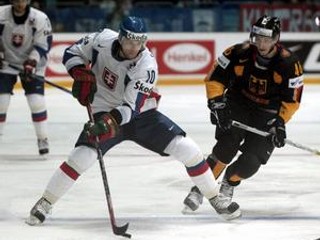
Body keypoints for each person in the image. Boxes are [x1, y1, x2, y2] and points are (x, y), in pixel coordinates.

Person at [26, 16, 241, 226]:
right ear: (120, 37)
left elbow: (131, 108)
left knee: (189, 150)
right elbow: (72, 52)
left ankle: (214, 198)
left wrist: (106, 124)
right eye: (130, 41)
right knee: (81, 157)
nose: (134, 47)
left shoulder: (146, 66)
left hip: (141, 116)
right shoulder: (101, 39)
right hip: (103, 111)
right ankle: (46, 202)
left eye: (139, 42)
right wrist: (80, 72)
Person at [183, 15, 304, 212]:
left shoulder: (290, 64)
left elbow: (292, 100)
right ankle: (200, 188)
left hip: (267, 112)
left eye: (267, 39)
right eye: (258, 38)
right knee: (226, 147)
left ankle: (229, 183)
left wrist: (280, 123)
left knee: (251, 162)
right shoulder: (237, 52)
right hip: (238, 103)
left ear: (276, 39)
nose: (262, 44)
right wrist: (216, 104)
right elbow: (215, 79)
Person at [0, 0, 52, 155]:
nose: (20, 2)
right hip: (6, 64)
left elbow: (43, 44)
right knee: (1, 101)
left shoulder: (40, 18)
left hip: (33, 65)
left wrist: (31, 62)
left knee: (36, 102)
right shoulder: (1, 14)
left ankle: (42, 138)